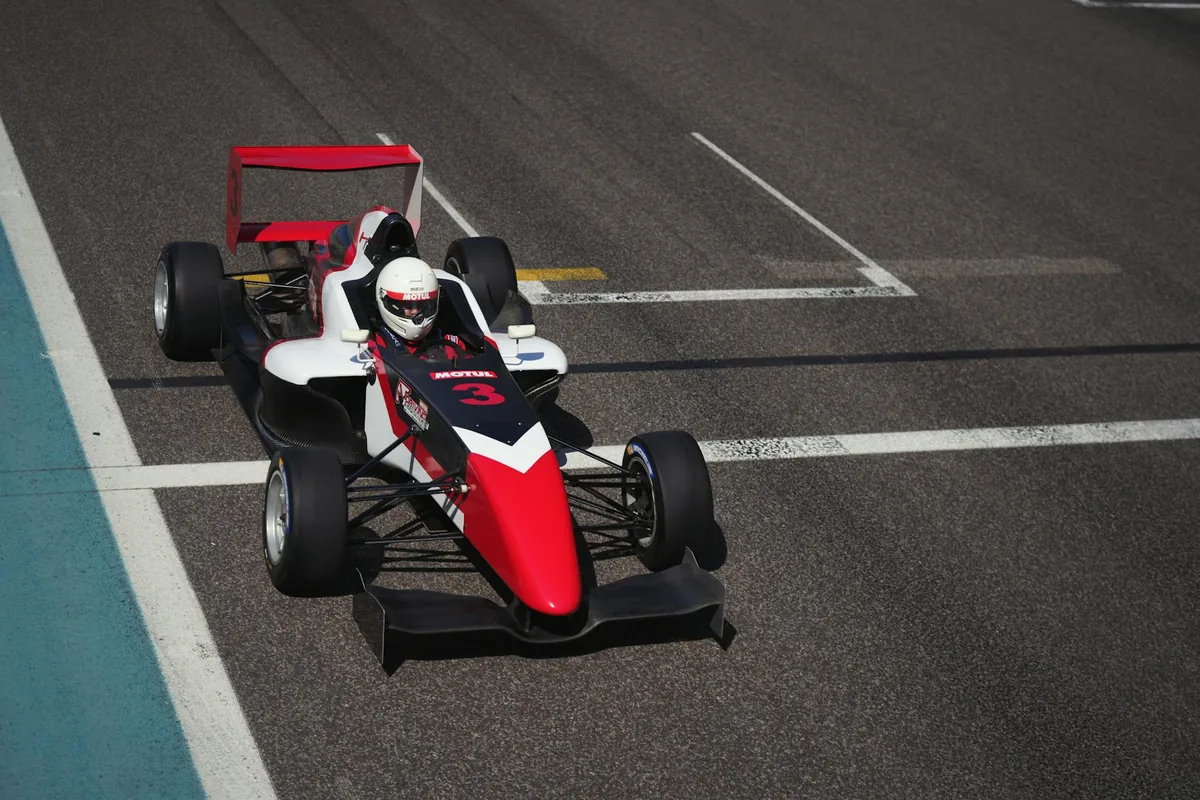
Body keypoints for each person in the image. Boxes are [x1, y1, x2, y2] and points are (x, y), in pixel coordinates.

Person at [374, 256, 464, 358]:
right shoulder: (376, 346)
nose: (415, 312)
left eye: (422, 305)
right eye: (407, 305)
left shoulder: (451, 345)